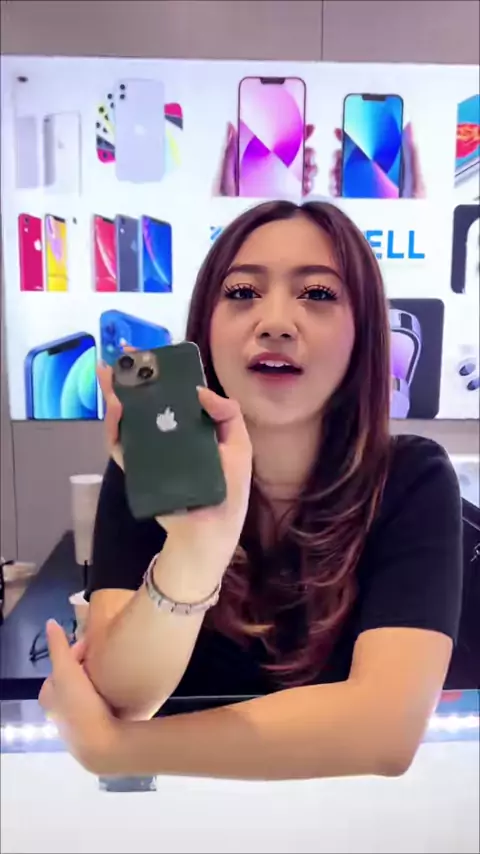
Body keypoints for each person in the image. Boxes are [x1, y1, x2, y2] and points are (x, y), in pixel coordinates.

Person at [40, 200, 462, 781]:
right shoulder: (152, 468)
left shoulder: (412, 479)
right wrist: (194, 552)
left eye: (317, 294)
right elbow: (122, 698)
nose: (276, 322)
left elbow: (385, 730)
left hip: (352, 817)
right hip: (193, 816)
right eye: (242, 292)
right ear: (205, 328)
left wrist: (120, 751)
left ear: (363, 332)